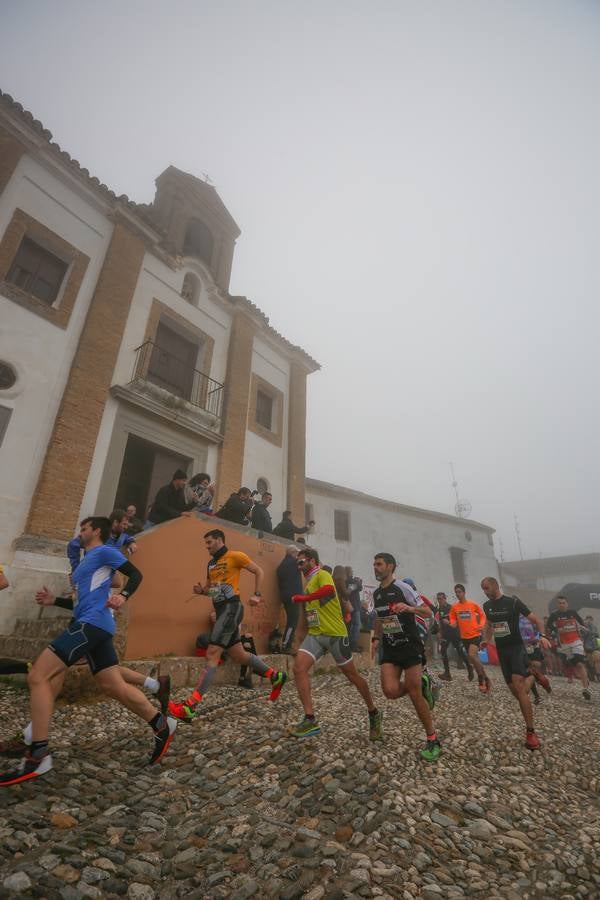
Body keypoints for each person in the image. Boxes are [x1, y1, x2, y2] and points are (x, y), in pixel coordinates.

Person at [0, 517, 176, 786]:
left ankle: (37, 755)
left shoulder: (105, 551)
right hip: (91, 623)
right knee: (111, 684)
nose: (80, 532)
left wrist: (124, 596)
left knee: (38, 676)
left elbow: (136, 574)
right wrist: (54, 601)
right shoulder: (86, 562)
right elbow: (85, 602)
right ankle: (161, 725)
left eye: (84, 528)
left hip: (90, 625)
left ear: (96, 531)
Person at [168, 529, 287, 719]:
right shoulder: (211, 564)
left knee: (212, 654)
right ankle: (275, 676)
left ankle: (190, 706)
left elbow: (259, 571)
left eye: (210, 542)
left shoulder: (235, 556)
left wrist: (257, 594)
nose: (207, 547)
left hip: (232, 609)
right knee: (239, 655)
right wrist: (201, 591)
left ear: (220, 540)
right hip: (222, 610)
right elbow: (212, 590)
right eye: (205, 543)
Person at [288, 547, 383, 740]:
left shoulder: (322, 574)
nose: (299, 566)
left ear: (313, 561)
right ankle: (310, 719)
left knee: (352, 676)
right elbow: (305, 613)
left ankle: (373, 712)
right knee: (299, 669)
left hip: (335, 635)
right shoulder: (307, 583)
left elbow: (328, 590)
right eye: (297, 563)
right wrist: (297, 638)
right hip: (315, 634)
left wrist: (305, 597)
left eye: (301, 562)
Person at [372, 554, 441, 761]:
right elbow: (379, 617)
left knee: (414, 694)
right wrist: (376, 638)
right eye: (374, 564)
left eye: (379, 564)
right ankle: (420, 684)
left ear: (390, 567)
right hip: (391, 649)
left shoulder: (403, 588)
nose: (375, 568)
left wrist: (409, 608)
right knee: (390, 692)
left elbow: (428, 612)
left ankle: (432, 739)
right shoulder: (376, 594)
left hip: (410, 646)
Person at [480, 577, 550, 750]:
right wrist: (485, 639)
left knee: (520, 688)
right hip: (502, 652)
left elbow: (538, 620)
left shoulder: (513, 603)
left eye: (486, 588)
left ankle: (531, 733)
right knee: (519, 693)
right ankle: (534, 675)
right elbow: (489, 624)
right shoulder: (487, 606)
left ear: (495, 586)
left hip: (516, 648)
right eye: (482, 589)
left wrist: (543, 636)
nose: (485, 591)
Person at [546, 596, 591, 701]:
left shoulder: (573, 613)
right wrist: (554, 631)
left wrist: (584, 629)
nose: (562, 604)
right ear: (557, 605)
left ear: (567, 604)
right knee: (573, 663)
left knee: (580, 664)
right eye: (560, 603)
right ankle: (585, 679)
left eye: (563, 602)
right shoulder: (554, 615)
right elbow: (548, 626)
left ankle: (586, 689)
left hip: (576, 642)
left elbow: (581, 623)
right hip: (564, 645)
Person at [68, 508, 138, 574]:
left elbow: (126, 537)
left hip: (106, 576)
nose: (126, 527)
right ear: (116, 522)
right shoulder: (99, 534)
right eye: (124, 524)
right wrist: (76, 567)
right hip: (90, 573)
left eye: (127, 524)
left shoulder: (121, 536)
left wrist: (132, 542)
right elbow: (73, 544)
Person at [448, 583, 490, 693]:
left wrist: (481, 624)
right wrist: (452, 623)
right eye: (456, 592)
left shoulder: (472, 604)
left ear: (464, 592)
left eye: (459, 592)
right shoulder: (455, 607)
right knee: (473, 660)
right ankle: (485, 677)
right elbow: (452, 616)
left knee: (472, 655)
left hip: (475, 635)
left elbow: (482, 615)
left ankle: (481, 679)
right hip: (464, 637)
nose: (458, 594)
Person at [436, 591, 474, 681]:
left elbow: (457, 620)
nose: (439, 601)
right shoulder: (439, 609)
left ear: (445, 598)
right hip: (445, 634)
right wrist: (440, 633)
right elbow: (440, 622)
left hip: (454, 633)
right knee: (443, 651)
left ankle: (469, 668)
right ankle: (447, 673)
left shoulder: (450, 608)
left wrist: (449, 622)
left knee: (460, 651)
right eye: (438, 599)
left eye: (441, 599)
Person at [277, 546, 303, 652]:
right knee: (293, 621)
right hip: (293, 596)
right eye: (297, 553)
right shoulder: (294, 562)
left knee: (291, 620)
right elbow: (305, 565)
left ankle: (286, 644)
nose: (298, 555)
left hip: (285, 595)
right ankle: (286, 645)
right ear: (292, 553)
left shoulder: (281, 565)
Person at [345, 567, 363, 653]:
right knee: (356, 625)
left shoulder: (344, 581)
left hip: (348, 606)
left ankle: (348, 644)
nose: (352, 572)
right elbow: (359, 587)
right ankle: (353, 644)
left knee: (350, 626)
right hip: (354, 607)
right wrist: (358, 581)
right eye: (351, 571)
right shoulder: (350, 581)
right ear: (349, 572)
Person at [583, 615, 600, 682]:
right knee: (591, 662)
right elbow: (583, 636)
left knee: (598, 660)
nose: (589, 621)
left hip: (595, 646)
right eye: (588, 619)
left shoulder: (594, 627)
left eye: (590, 619)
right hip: (587, 646)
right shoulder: (583, 627)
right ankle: (592, 675)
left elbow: (597, 636)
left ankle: (598, 675)